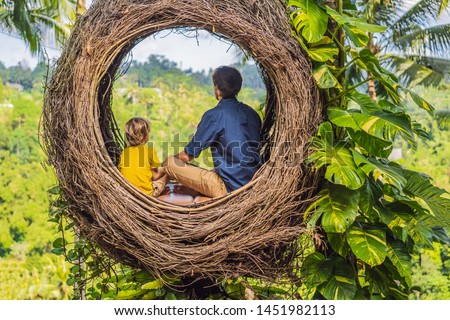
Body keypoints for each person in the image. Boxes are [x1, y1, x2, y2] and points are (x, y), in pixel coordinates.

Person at [163, 66, 262, 198]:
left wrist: (167, 166)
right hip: (253, 183)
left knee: (169, 163)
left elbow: (188, 155)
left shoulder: (214, 115)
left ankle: (152, 189)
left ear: (216, 89)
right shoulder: (252, 114)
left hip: (229, 188)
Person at [118, 117, 168, 197]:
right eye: (148, 132)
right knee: (167, 171)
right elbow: (155, 176)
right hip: (146, 195)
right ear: (143, 136)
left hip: (127, 193)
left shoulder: (124, 153)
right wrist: (166, 169)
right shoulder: (150, 151)